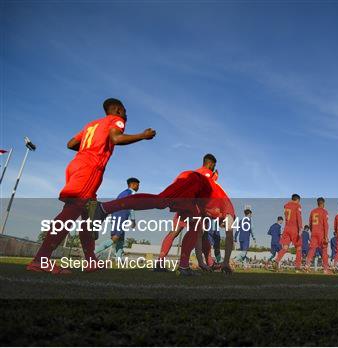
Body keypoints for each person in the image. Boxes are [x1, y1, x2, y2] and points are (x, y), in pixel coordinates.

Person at [27, 98, 156, 273]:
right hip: (90, 169)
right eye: (125, 111)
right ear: (117, 110)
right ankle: (40, 259)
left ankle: (91, 260)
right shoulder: (115, 120)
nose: (126, 114)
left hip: (77, 165)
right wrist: (142, 135)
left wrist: (87, 150)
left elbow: (71, 143)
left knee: (88, 217)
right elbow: (116, 138)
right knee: (71, 211)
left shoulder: (92, 124)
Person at [87, 154, 236, 274]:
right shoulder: (228, 209)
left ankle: (182, 266)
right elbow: (229, 238)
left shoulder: (210, 205)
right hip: (193, 183)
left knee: (192, 226)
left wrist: (202, 263)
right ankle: (104, 208)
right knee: (161, 202)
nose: (221, 226)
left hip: (193, 192)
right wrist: (226, 263)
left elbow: (198, 238)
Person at [95, 177, 140, 259]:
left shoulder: (122, 193)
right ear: (133, 185)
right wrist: (133, 220)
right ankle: (93, 253)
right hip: (121, 217)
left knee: (121, 240)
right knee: (115, 237)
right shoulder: (131, 193)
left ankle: (118, 259)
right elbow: (131, 207)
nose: (138, 187)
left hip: (117, 216)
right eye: (137, 185)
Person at [275, 194, 303, 271]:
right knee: (299, 248)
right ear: (297, 200)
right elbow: (298, 217)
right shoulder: (297, 205)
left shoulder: (286, 205)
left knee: (285, 247)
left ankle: (277, 260)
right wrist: (300, 228)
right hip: (294, 229)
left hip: (286, 228)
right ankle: (297, 266)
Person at [305, 198, 330, 274]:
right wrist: (326, 236)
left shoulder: (313, 211)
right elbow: (326, 224)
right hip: (321, 233)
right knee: (324, 251)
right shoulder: (324, 211)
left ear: (317, 203)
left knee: (312, 249)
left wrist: (313, 231)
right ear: (323, 203)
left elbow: (310, 224)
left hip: (314, 232)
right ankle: (325, 270)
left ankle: (307, 265)